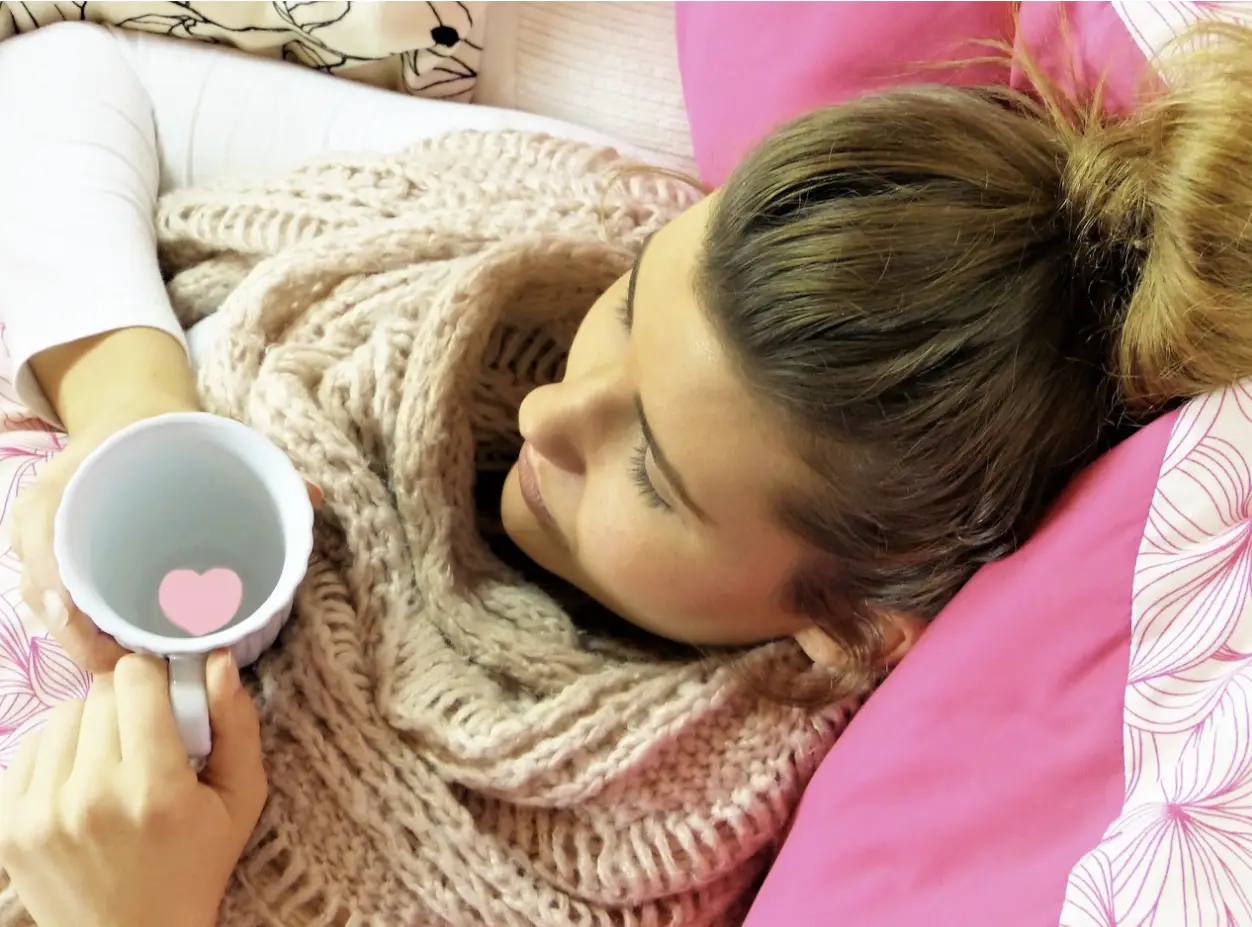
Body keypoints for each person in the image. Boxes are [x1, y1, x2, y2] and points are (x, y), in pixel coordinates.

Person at [3, 14, 1250, 927]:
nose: (548, 411)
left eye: (652, 473)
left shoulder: (651, 868)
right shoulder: (547, 214)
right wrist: (130, 415)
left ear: (849, 629)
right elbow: (65, 80)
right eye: (630, 305)